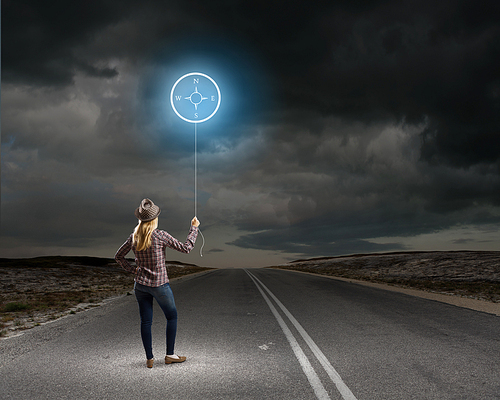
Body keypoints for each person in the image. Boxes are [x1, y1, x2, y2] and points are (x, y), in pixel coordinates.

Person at [115, 198, 199, 368]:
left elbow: (118, 256)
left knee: (146, 321)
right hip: (159, 285)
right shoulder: (160, 235)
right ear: (154, 219)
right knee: (172, 316)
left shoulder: (134, 237)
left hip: (140, 285)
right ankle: (170, 355)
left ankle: (149, 358)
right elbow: (186, 248)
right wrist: (194, 228)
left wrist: (133, 270)